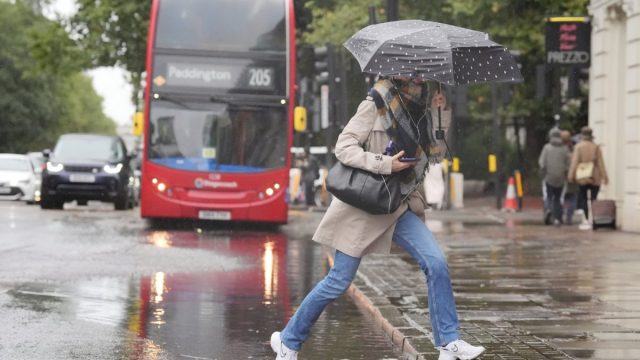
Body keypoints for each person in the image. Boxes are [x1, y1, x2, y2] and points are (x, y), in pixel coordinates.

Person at [270, 78, 485, 360]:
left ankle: (448, 342)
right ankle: (288, 340)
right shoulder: (375, 103)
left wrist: (439, 112)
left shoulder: (420, 108)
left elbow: (436, 154)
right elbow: (344, 147)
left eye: (422, 67)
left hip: (401, 204)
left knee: (436, 263)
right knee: (338, 280)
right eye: (412, 67)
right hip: (367, 207)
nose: (419, 73)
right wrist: (385, 164)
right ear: (398, 71)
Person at [568, 126, 608, 221]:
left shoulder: (578, 147)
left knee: (584, 198)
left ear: (582, 135)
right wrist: (604, 176)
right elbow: (600, 163)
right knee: (594, 199)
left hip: (582, 175)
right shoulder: (596, 147)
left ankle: (586, 219)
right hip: (595, 176)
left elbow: (574, 162)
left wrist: (571, 175)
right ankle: (594, 218)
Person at [538, 128, 571, 226]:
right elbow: (568, 163)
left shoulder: (547, 148)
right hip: (560, 177)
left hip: (549, 176)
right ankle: (557, 218)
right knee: (557, 198)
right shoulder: (565, 148)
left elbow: (542, 163)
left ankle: (548, 209)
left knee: (548, 196)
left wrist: (542, 173)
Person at [560, 130, 578, 225]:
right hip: (573, 176)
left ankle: (560, 216)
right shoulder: (574, 148)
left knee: (561, 197)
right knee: (572, 197)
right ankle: (569, 218)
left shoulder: (560, 149)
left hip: (562, 177)